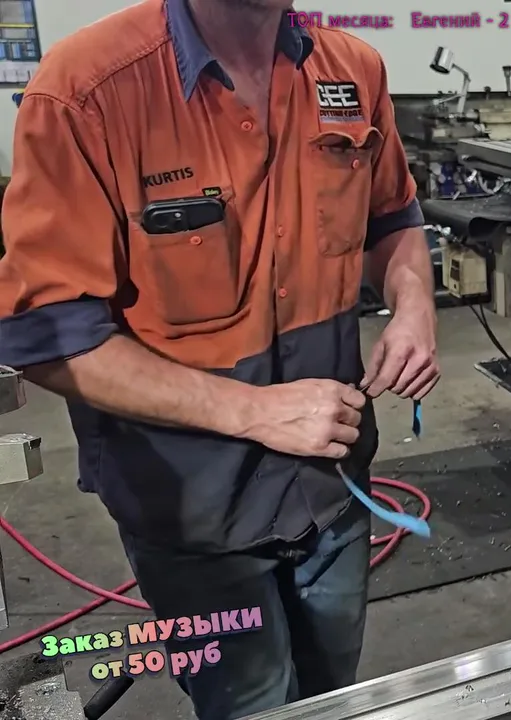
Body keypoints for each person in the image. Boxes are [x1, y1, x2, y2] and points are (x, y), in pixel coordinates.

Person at [0, 1, 439, 718]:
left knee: (332, 698)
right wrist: (252, 411)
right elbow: (48, 337)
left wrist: (414, 303)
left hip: (332, 489)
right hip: (195, 516)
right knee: (251, 704)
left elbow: (394, 218)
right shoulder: (85, 91)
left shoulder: (353, 71)